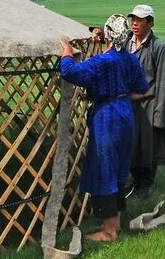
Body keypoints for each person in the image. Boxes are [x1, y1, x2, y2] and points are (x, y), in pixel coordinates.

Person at [58, 15, 149, 242]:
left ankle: (109, 232)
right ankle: (115, 223)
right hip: (126, 113)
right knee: (118, 168)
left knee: (105, 169)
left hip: (107, 116)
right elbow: (143, 91)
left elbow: (69, 72)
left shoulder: (103, 62)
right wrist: (121, 95)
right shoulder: (130, 59)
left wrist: (67, 50)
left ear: (108, 35)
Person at [127, 4, 165, 199]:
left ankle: (146, 183)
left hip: (149, 104)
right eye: (133, 19)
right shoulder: (126, 44)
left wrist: (160, 117)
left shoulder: (159, 48)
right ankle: (135, 179)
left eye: (140, 20)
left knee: (149, 145)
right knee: (131, 143)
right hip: (128, 103)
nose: (135, 23)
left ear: (150, 22)